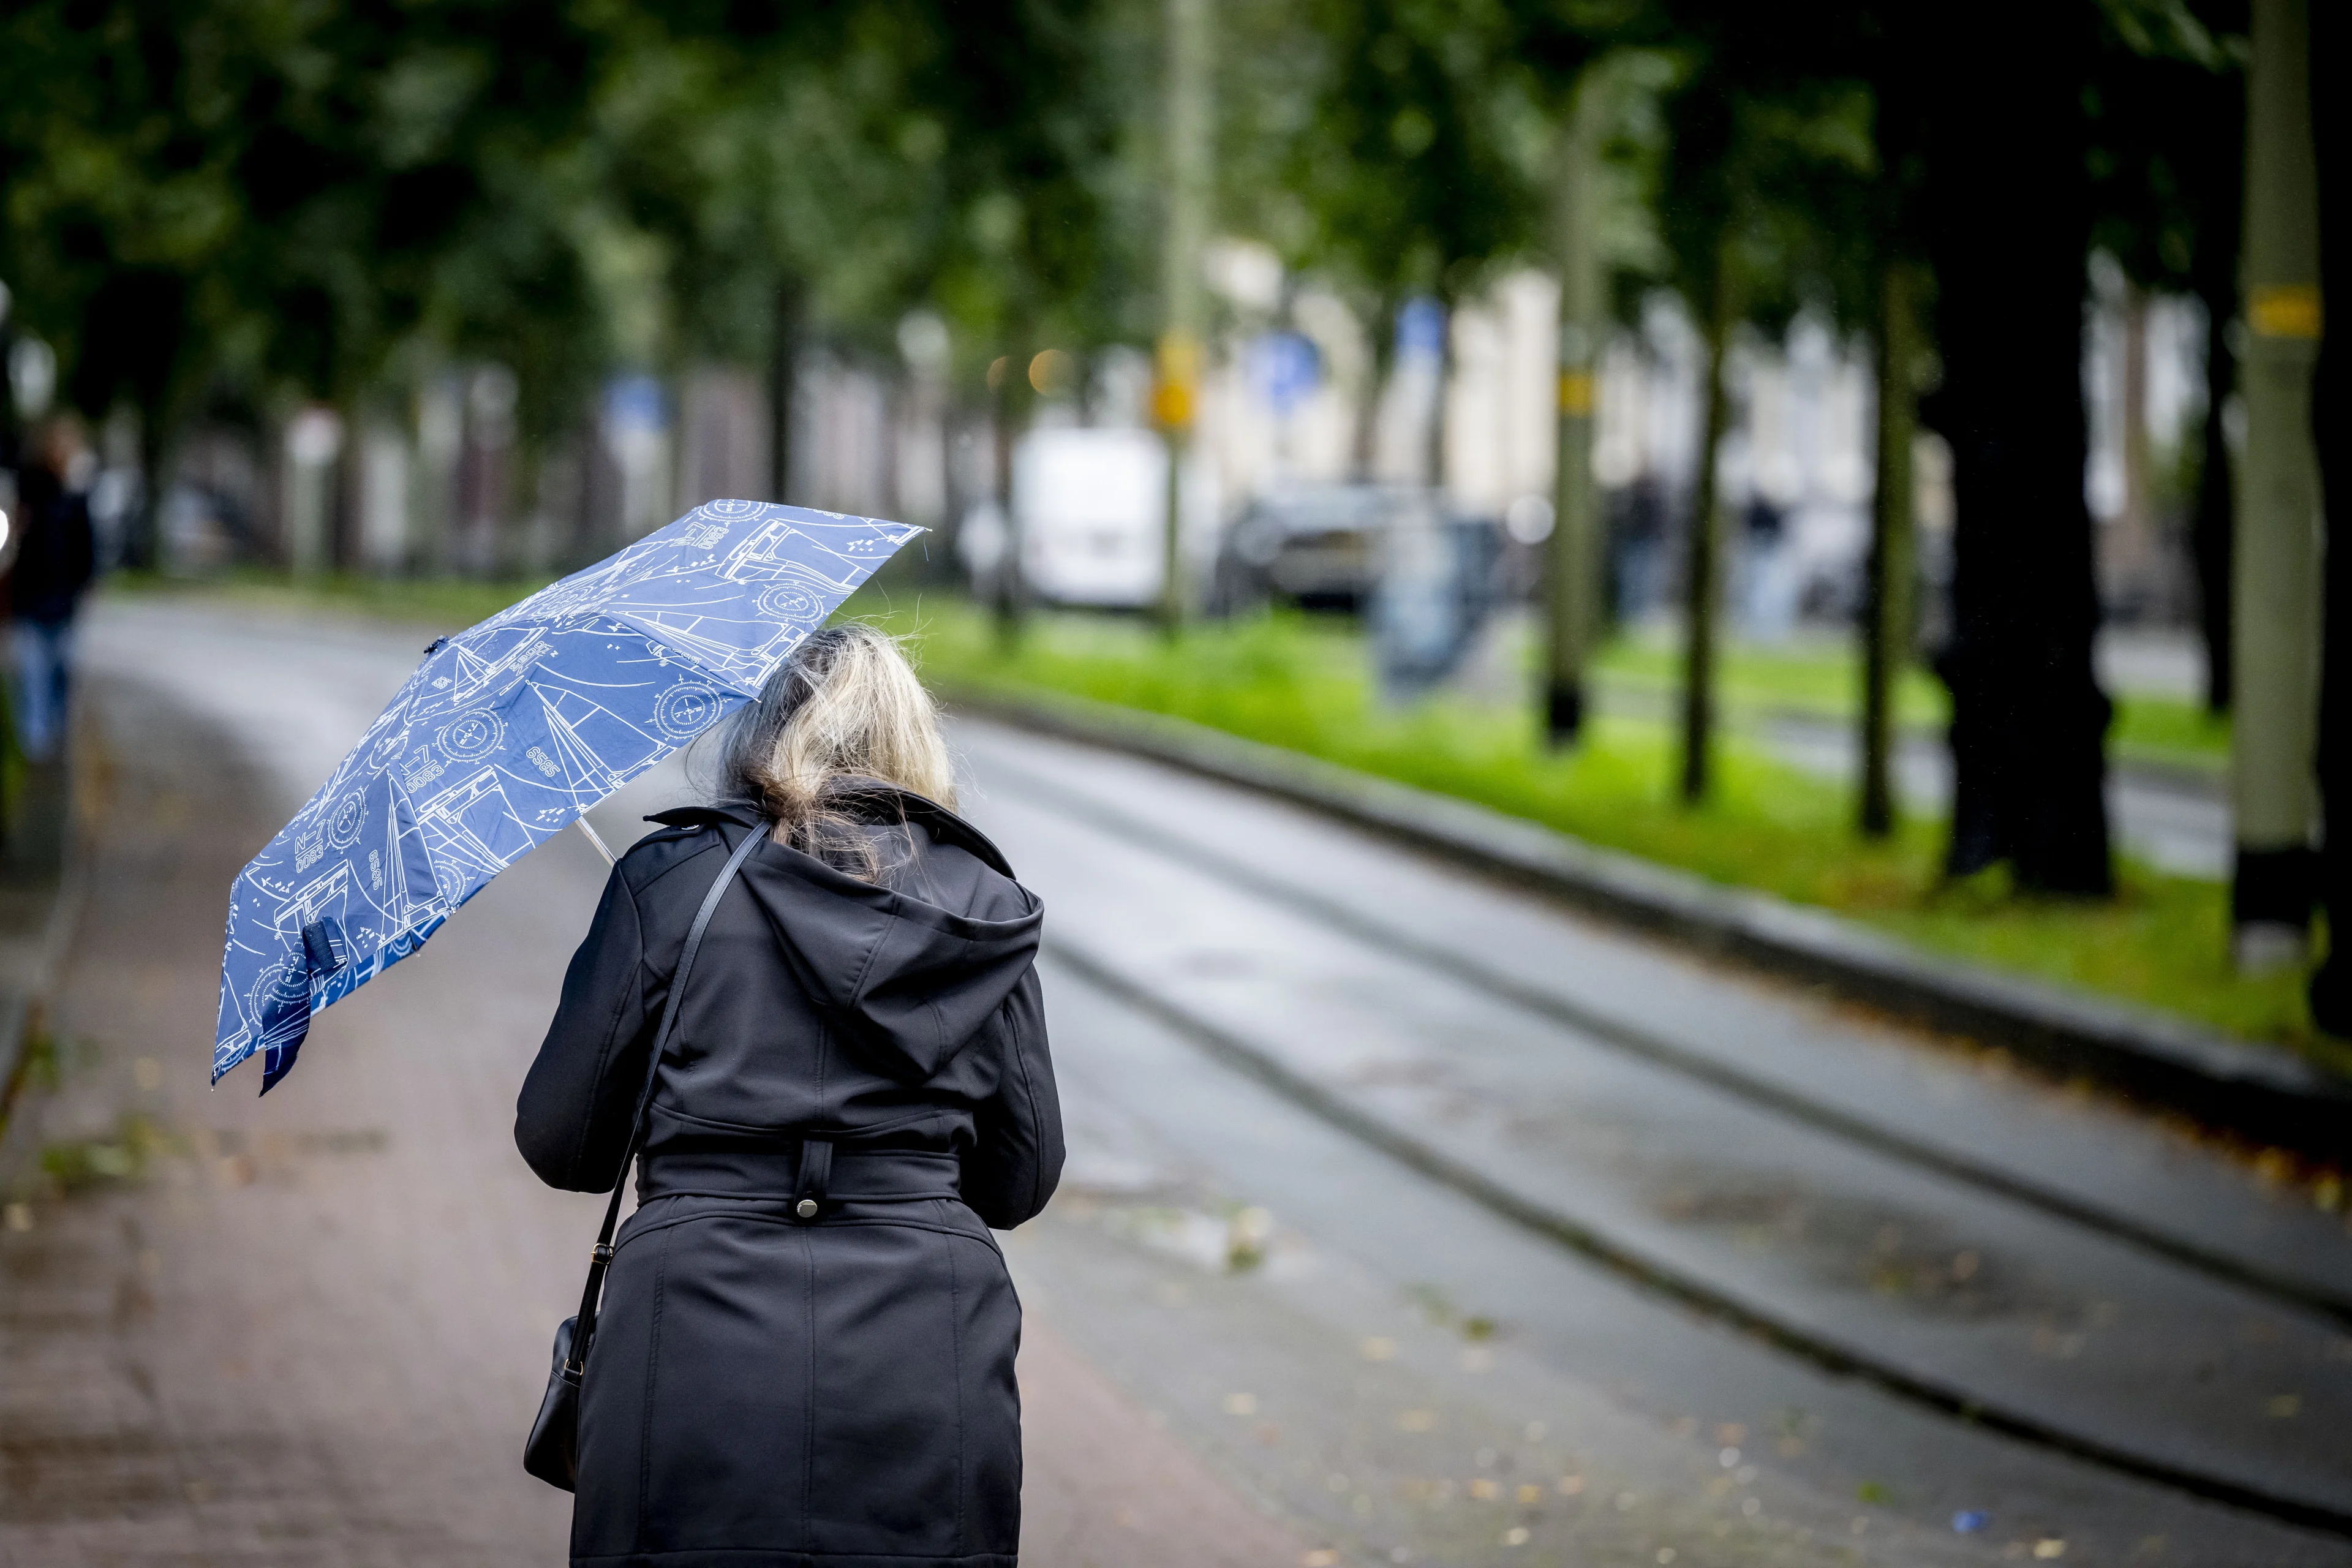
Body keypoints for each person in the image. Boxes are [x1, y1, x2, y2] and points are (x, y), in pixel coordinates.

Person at [516, 623, 1062, 1568]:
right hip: (924, 1348)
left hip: (688, 1338)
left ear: (757, 737)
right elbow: (1020, 1183)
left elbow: (564, 1147)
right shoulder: (981, 907)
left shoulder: (672, 882)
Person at [4, 417, 97, 761]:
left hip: (63, 601)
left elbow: (87, 546)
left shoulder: (76, 496)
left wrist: (85, 584)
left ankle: (54, 734)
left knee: (60, 671)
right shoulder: (29, 493)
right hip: (31, 599)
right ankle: (35, 746)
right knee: (31, 674)